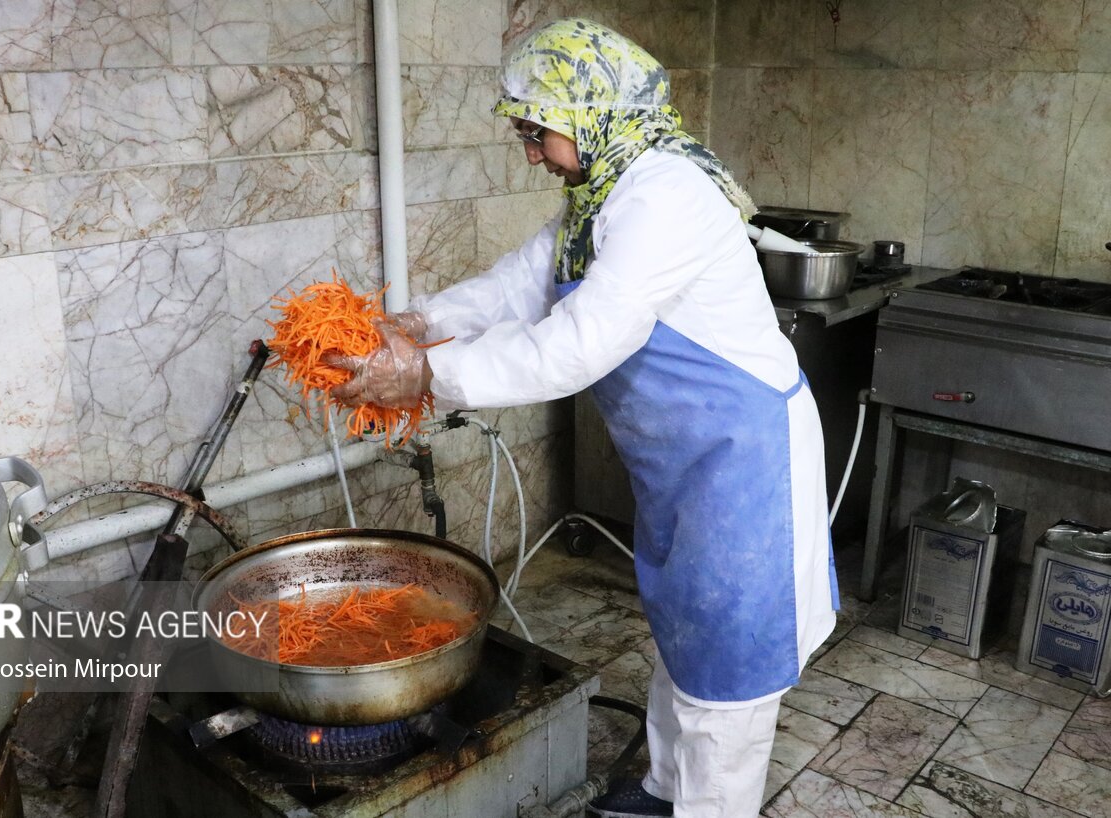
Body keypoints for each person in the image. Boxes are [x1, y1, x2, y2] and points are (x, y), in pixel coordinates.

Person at [330, 17, 839, 818]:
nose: (532, 152)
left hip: (744, 459)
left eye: (538, 131)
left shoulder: (667, 193)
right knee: (684, 632)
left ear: (594, 109)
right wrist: (416, 326)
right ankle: (667, 790)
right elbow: (515, 287)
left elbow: (579, 344)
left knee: (728, 675)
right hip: (686, 460)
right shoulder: (602, 190)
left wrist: (427, 375)